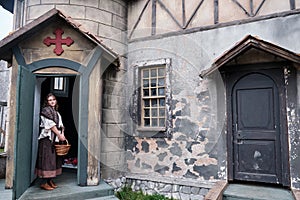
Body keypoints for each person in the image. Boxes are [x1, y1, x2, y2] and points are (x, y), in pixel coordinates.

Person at [35, 93, 66, 190]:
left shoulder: (56, 113)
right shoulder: (46, 111)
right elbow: (51, 125)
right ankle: (44, 182)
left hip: (55, 139)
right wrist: (59, 135)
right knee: (47, 160)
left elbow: (60, 125)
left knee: (53, 160)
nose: (52, 101)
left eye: (53, 99)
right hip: (47, 140)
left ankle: (50, 180)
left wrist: (63, 135)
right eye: (50, 100)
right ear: (47, 102)